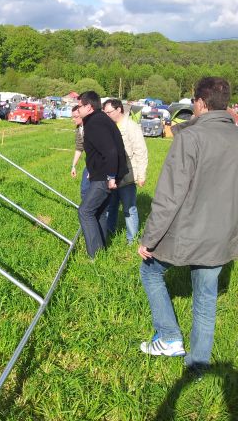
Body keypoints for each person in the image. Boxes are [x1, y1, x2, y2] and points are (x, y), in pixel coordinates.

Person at [138, 77, 238, 377]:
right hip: (222, 234)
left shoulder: (190, 137)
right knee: (206, 297)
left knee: (150, 271)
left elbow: (169, 196)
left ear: (200, 103)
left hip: (188, 231)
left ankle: (169, 337)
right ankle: (198, 364)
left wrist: (149, 239)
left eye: (194, 100)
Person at [75, 91, 127, 258]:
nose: (77, 110)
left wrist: (111, 176)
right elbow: (99, 152)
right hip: (101, 174)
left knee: (85, 211)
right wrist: (93, 170)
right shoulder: (99, 119)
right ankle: (102, 249)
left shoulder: (95, 122)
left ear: (89, 107)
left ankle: (95, 256)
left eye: (80, 106)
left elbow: (111, 150)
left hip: (105, 177)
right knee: (99, 211)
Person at [102, 98, 148, 244]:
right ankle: (109, 231)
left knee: (129, 208)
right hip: (111, 175)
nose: (106, 115)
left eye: (109, 112)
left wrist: (141, 175)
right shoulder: (109, 127)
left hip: (127, 176)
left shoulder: (131, 127)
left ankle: (132, 239)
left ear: (119, 110)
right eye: (105, 112)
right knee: (111, 206)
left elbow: (141, 151)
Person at [70, 104, 90, 199]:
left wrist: (94, 168)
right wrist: (73, 166)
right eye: (72, 117)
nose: (73, 119)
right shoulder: (79, 128)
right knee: (84, 190)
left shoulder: (91, 127)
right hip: (90, 163)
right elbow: (79, 148)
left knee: (93, 192)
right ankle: (86, 211)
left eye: (76, 117)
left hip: (98, 164)